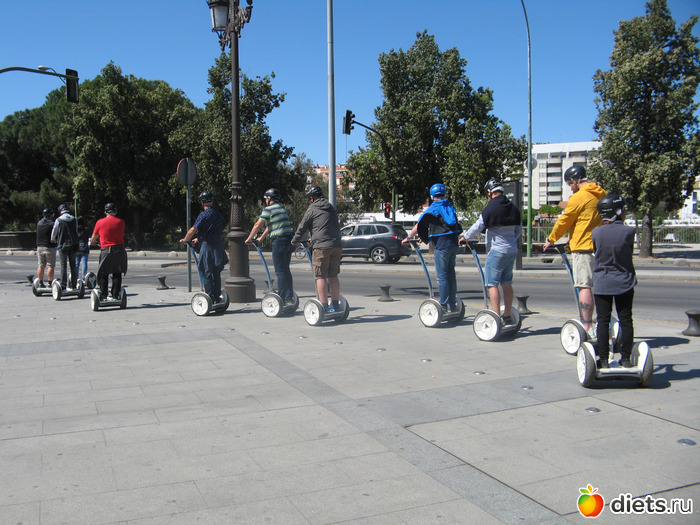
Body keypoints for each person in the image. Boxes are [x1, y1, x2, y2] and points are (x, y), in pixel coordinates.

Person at [542, 165, 606, 334]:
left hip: (583, 247)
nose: (570, 187)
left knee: (584, 286)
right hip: (600, 246)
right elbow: (585, 220)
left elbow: (565, 220)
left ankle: (587, 325)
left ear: (576, 180)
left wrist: (551, 239)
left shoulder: (579, 197)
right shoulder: (601, 194)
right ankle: (603, 321)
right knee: (599, 287)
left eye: (570, 183)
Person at [460, 178, 522, 323]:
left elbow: (479, 225)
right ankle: (507, 316)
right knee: (506, 283)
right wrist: (510, 241)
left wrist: (465, 237)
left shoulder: (491, 207)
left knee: (491, 284)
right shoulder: (513, 208)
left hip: (497, 250)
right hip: (511, 250)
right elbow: (518, 230)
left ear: (489, 192)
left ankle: (496, 317)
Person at [592, 194, 637, 368]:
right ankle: (625, 358)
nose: (625, 213)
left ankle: (603, 360)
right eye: (623, 210)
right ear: (617, 211)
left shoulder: (596, 232)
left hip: (602, 282)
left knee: (603, 321)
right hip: (624, 281)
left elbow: (597, 252)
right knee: (626, 320)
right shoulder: (629, 232)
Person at [403, 183, 462, 312]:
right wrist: (427, 237)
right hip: (453, 244)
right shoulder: (449, 206)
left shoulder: (433, 208)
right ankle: (452, 304)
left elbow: (419, 226)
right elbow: (444, 227)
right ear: (444, 194)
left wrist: (408, 237)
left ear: (431, 196)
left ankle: (443, 306)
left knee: (442, 277)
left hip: (441, 246)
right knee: (451, 275)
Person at [291, 185, 343, 313]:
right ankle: (335, 304)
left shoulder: (312, 208)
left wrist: (295, 240)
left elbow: (302, 226)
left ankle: (323, 305)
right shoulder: (331, 207)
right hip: (336, 245)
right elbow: (327, 226)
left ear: (312, 198)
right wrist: (313, 237)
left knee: (320, 276)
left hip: (322, 247)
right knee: (333, 275)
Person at [245, 188, 295, 305]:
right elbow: (270, 226)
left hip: (279, 241)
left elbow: (257, 225)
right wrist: (260, 239)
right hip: (289, 240)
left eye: (266, 199)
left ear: (269, 198)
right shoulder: (281, 208)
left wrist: (249, 238)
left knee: (280, 271)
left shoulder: (268, 209)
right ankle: (289, 297)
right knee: (286, 269)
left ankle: (282, 298)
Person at [180, 191, 228, 302]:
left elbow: (193, 229)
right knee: (216, 272)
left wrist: (185, 240)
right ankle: (217, 296)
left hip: (207, 246)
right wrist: (198, 239)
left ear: (202, 203)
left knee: (206, 271)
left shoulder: (203, 215)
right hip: (218, 245)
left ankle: (209, 296)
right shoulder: (218, 214)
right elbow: (212, 231)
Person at [90, 202, 128, 300]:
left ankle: (103, 295)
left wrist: (93, 243)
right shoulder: (121, 222)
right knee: (117, 272)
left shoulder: (100, 222)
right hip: (120, 249)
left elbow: (94, 238)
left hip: (107, 249)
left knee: (103, 272)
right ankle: (115, 294)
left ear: (105, 211)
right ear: (115, 211)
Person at [51, 203, 79, 290]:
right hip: (73, 244)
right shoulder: (74, 219)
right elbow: (76, 230)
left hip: (63, 244)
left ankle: (63, 284)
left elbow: (54, 231)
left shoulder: (59, 220)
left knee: (63, 265)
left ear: (60, 211)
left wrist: (53, 239)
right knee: (73, 265)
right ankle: (74, 284)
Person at [35, 207, 56, 287]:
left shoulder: (39, 223)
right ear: (50, 215)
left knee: (41, 265)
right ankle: (50, 282)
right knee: (50, 265)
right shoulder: (52, 224)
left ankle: (40, 282)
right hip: (49, 247)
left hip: (39, 246)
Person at [75, 217, 91, 281]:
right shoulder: (86, 229)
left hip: (77, 248)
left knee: (76, 263)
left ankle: (76, 276)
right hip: (84, 247)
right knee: (84, 263)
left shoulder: (76, 230)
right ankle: (84, 276)